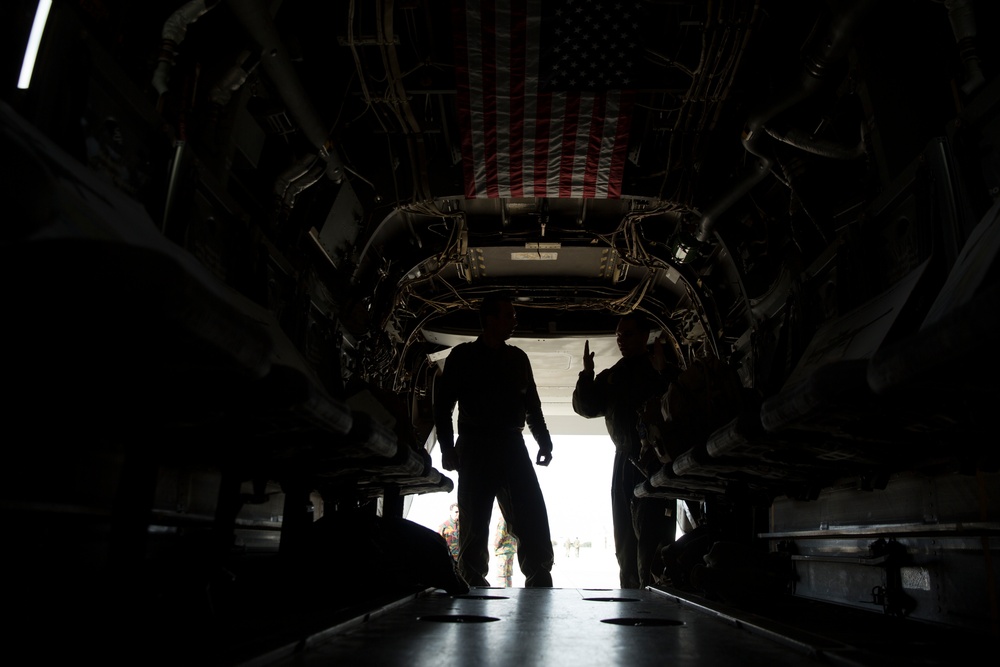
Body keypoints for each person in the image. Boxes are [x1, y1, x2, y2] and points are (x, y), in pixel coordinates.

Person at [434, 296, 555, 587]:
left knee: (531, 513)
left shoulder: (518, 358)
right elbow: (442, 406)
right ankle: (473, 579)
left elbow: (533, 407)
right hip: (475, 447)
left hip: (512, 446)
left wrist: (544, 441)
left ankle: (539, 575)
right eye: (508, 315)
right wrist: (448, 447)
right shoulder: (462, 357)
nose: (515, 321)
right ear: (490, 320)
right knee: (474, 522)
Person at [572, 312, 679, 588]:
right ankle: (630, 594)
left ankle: (657, 593)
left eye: (628, 334)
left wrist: (664, 371)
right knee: (625, 540)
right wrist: (586, 374)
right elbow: (587, 407)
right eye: (618, 336)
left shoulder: (659, 369)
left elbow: (682, 401)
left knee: (655, 537)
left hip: (655, 460)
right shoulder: (613, 376)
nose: (621, 341)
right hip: (624, 461)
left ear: (645, 336)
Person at [493, 518, 518, 587]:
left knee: (502, 575)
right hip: (511, 550)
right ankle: (509, 591)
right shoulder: (512, 518)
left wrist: (495, 546)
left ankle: (503, 593)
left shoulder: (503, 520)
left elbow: (500, 536)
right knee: (508, 575)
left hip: (503, 551)